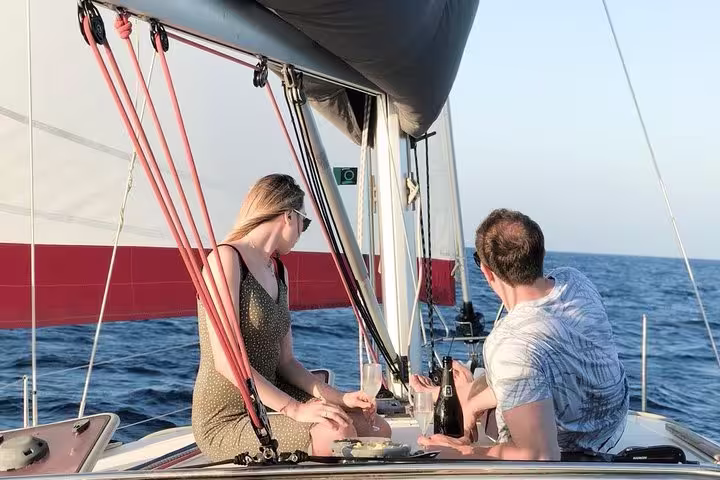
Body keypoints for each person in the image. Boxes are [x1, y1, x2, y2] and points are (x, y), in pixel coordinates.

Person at [192, 174, 390, 460]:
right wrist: (295, 409)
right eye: (304, 223)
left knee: (376, 429)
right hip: (228, 415)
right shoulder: (225, 260)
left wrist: (340, 397)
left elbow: (286, 363)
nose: (302, 231)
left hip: (271, 402)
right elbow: (227, 362)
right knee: (337, 436)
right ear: (288, 216)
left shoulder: (280, 272)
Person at [418, 208, 629, 461]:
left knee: (494, 375)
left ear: (487, 272)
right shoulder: (575, 281)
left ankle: (457, 393)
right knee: (489, 381)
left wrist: (462, 451)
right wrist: (474, 405)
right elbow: (541, 367)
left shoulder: (509, 342)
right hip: (610, 429)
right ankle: (466, 394)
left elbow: (540, 456)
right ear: (541, 255)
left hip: (572, 453)